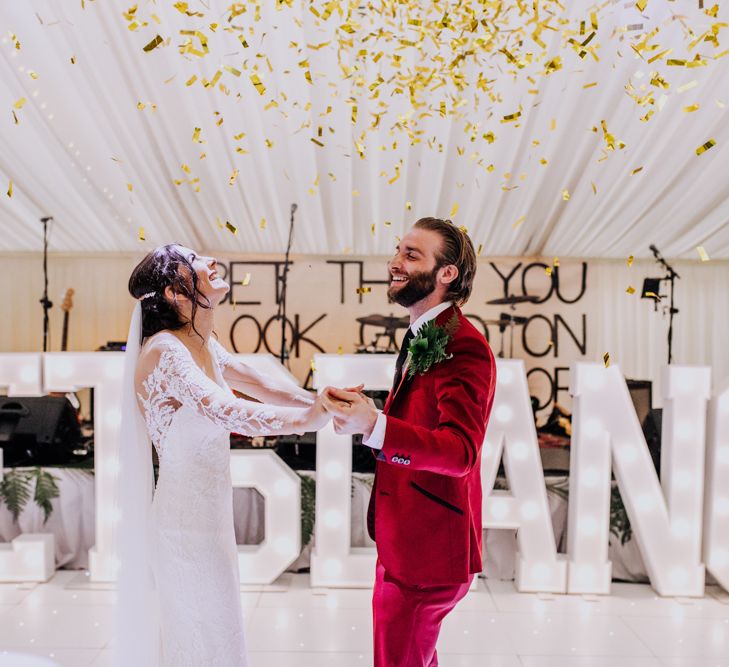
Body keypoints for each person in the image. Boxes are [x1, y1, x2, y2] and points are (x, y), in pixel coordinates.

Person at [114, 244, 332, 667]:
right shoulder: (165, 350)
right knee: (200, 632)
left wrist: (317, 400)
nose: (210, 261)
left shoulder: (203, 345)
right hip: (183, 527)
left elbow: (262, 384)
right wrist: (309, 418)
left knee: (220, 629)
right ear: (175, 293)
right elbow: (225, 409)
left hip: (210, 520)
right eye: (193, 260)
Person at [323, 218, 497, 666]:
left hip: (428, 553)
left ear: (447, 274)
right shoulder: (424, 333)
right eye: (398, 251)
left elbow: (460, 452)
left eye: (411, 255)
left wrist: (376, 425)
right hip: (407, 544)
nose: (394, 263)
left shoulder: (465, 345)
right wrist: (366, 415)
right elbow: (421, 418)